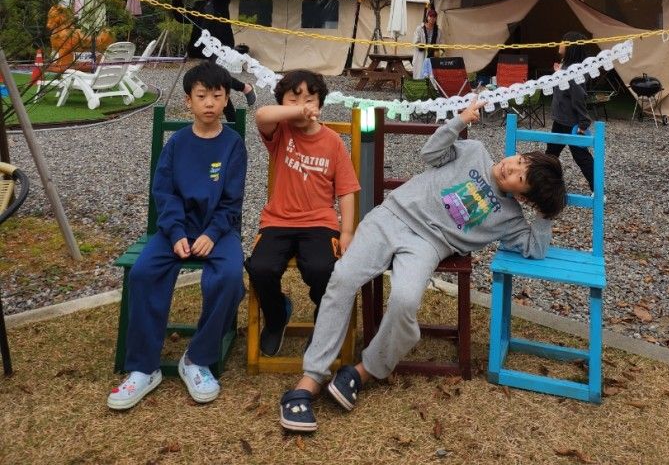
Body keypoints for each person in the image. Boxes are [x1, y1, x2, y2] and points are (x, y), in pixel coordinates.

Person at [278, 98, 566, 432]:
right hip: (391, 216)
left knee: (404, 302)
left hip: (428, 246)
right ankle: (309, 380)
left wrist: (546, 215)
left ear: (523, 197)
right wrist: (458, 122)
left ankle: (362, 371)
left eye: (519, 178)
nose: (510, 168)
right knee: (342, 277)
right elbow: (429, 154)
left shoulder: (511, 220)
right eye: (517, 161)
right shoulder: (473, 150)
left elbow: (535, 248)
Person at [107, 62, 247, 410]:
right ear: (188, 102)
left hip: (218, 230)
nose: (210, 103)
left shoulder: (234, 145)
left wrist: (213, 233)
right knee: (143, 273)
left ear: (226, 98)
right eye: (202, 96)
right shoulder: (177, 144)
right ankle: (143, 367)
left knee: (229, 277)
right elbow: (164, 193)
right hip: (174, 231)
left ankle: (197, 359)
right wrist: (175, 232)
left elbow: (233, 201)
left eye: (217, 96)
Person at [246, 69, 360, 358]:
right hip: (277, 221)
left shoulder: (333, 141)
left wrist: (346, 232)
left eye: (310, 99)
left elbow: (346, 190)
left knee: (325, 270)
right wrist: (294, 111)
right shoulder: (280, 132)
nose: (304, 105)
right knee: (260, 268)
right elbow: (261, 116)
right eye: (294, 99)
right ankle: (276, 316)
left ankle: (324, 321)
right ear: (283, 105)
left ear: (320, 104)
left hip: (319, 223)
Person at [170, 0, 255, 121]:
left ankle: (234, 115)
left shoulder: (221, 0)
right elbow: (181, 17)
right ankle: (243, 91)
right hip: (204, 49)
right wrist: (177, 0)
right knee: (217, 82)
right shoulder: (198, 6)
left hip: (221, 46)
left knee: (216, 80)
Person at [545, 31, 595, 192]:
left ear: (571, 47)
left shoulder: (573, 72)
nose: (560, 43)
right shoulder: (566, 68)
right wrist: (558, 73)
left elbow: (578, 96)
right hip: (560, 120)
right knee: (551, 154)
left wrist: (583, 122)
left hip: (571, 123)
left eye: (563, 41)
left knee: (581, 157)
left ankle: (598, 189)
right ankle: (546, 184)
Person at [412, 7, 439, 79]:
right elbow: (415, 42)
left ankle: (431, 89)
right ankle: (419, 88)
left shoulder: (438, 31)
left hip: (433, 56)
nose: (432, 18)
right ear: (427, 17)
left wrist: (438, 50)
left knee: (432, 75)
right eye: (430, 16)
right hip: (421, 55)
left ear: (436, 18)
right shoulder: (419, 29)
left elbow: (441, 43)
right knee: (420, 75)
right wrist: (423, 46)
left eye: (434, 17)